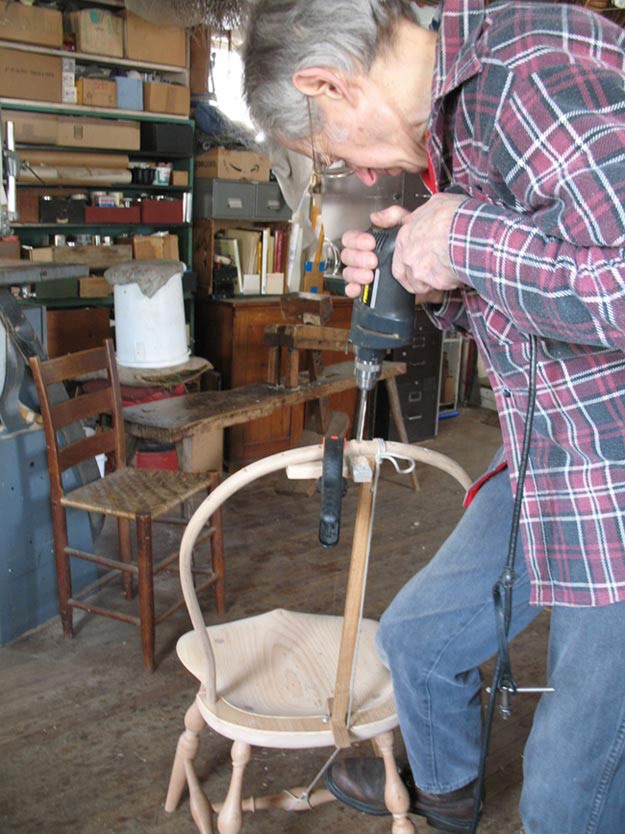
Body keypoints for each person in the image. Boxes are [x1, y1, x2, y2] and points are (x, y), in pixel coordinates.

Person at [241, 2, 625, 832]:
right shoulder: (454, 121)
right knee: (417, 639)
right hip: (550, 450)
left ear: (326, 84)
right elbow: (551, 277)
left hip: (617, 475)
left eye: (332, 149)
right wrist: (436, 281)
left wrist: (467, 238)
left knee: (567, 799)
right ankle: (447, 800)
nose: (358, 171)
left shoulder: (526, 76)